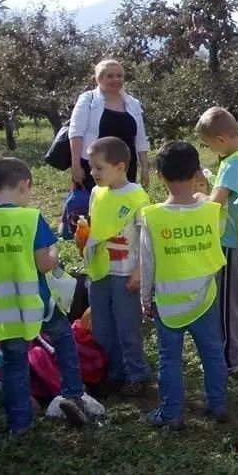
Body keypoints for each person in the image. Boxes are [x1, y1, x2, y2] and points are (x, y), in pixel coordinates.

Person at [0, 157, 90, 433]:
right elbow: (44, 263)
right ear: (25, 184)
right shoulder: (29, 218)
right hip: (36, 304)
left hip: (0, 312)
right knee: (64, 338)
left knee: (13, 362)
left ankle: (20, 425)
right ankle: (73, 393)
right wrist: (55, 255)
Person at [140, 141, 228, 429]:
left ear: (161, 176)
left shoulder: (152, 217)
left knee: (169, 358)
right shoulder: (211, 211)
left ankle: (171, 413)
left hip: (167, 301)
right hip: (205, 296)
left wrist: (145, 298)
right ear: (196, 174)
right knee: (212, 352)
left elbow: (148, 262)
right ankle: (218, 404)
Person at [82, 136, 151, 396]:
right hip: (99, 271)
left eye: (99, 167)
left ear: (120, 167)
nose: (92, 172)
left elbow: (146, 238)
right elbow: (94, 227)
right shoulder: (96, 193)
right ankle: (112, 372)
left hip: (125, 273)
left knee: (127, 326)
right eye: (91, 166)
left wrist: (139, 270)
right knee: (102, 325)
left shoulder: (136, 196)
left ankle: (136, 373)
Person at [195, 107, 238, 374]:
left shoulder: (232, 162)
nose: (211, 151)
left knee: (227, 302)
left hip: (231, 242)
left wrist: (200, 199)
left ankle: (231, 357)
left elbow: (217, 201)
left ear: (220, 140)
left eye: (209, 146)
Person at [69, 59, 150, 191]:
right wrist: (76, 165)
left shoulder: (133, 103)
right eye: (110, 76)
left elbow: (140, 138)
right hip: (95, 169)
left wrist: (145, 168)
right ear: (99, 79)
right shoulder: (88, 99)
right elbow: (76, 133)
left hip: (124, 169)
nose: (116, 79)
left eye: (119, 75)